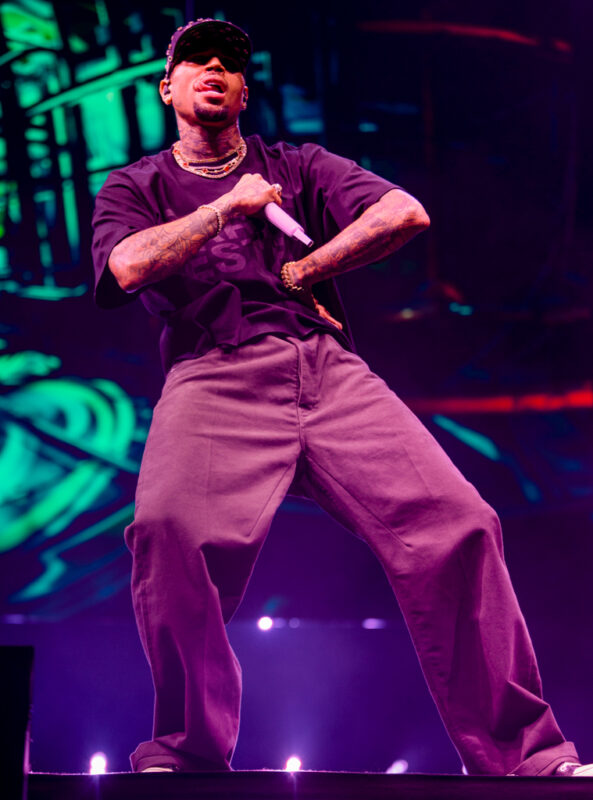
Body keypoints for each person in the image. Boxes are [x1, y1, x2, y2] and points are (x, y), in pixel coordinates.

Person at [91, 18, 591, 777]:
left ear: (244, 92)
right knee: (167, 532)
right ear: (167, 88)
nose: (213, 69)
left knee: (460, 524)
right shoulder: (138, 185)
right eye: (195, 61)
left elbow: (403, 213)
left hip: (327, 370)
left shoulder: (296, 164)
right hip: (212, 373)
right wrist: (225, 208)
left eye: (229, 63)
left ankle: (525, 755)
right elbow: (126, 267)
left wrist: (302, 270)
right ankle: (187, 753)